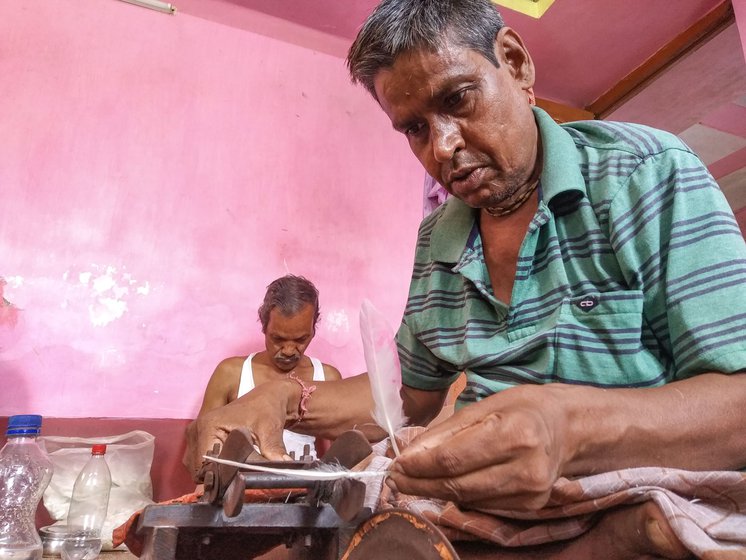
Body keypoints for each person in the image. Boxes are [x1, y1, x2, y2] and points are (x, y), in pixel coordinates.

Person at [186, 1, 746, 557]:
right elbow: (408, 397)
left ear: (516, 63)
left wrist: (571, 429)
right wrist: (285, 399)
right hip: (474, 518)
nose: (443, 147)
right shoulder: (438, 240)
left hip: (625, 508)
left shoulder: (646, 175)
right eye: (415, 128)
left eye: (457, 100)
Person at [186, 274, 341, 465]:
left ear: (314, 329)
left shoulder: (326, 378)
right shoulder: (231, 374)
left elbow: (344, 457)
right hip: (237, 492)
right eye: (278, 339)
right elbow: (202, 451)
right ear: (263, 325)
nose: (289, 350)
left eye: (301, 340)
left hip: (304, 492)